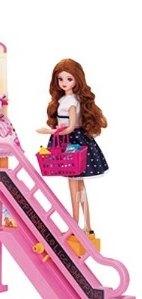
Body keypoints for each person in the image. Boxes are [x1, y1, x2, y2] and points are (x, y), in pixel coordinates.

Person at [37, 58, 108, 234]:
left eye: (69, 79)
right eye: (60, 79)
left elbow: (70, 127)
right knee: (79, 185)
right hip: (71, 141)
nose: (64, 83)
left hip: (73, 142)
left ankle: (75, 224)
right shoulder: (65, 99)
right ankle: (87, 226)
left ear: (77, 79)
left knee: (74, 184)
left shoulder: (71, 101)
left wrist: (49, 131)